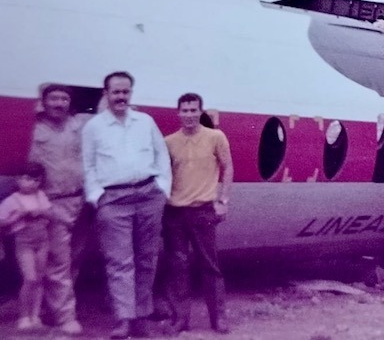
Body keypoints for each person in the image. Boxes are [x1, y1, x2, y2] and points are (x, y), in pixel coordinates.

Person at [82, 71, 171, 339]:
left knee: (147, 259)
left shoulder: (145, 122)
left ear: (131, 93)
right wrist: (97, 197)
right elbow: (88, 166)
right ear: (105, 94)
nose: (121, 97)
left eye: (125, 92)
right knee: (119, 262)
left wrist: (162, 189)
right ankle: (124, 319)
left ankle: (141, 317)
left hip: (147, 196)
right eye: (116, 92)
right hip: (113, 201)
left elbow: (162, 155)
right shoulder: (93, 128)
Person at [163, 92, 233, 335]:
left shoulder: (215, 137)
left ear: (200, 112)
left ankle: (218, 319)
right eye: (185, 110)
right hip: (175, 214)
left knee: (210, 267)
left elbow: (228, 167)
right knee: (177, 267)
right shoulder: (169, 142)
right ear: (178, 113)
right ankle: (180, 319)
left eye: (194, 110)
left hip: (203, 212)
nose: (189, 115)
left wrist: (223, 199)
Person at [28, 83, 88, 336]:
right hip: (53, 203)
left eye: (64, 98)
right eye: (54, 98)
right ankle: (65, 317)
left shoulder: (80, 126)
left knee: (74, 258)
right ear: (44, 101)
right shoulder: (35, 129)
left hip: (82, 200)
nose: (59, 103)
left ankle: (52, 309)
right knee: (59, 262)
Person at [0, 162, 53, 332]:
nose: (32, 183)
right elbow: (1, 222)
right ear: (18, 180)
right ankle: (23, 316)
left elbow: (50, 213)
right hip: (24, 242)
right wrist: (17, 217)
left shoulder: (41, 196)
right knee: (29, 278)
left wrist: (42, 213)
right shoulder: (12, 200)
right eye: (27, 179)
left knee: (39, 278)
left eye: (36, 180)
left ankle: (35, 316)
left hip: (42, 240)